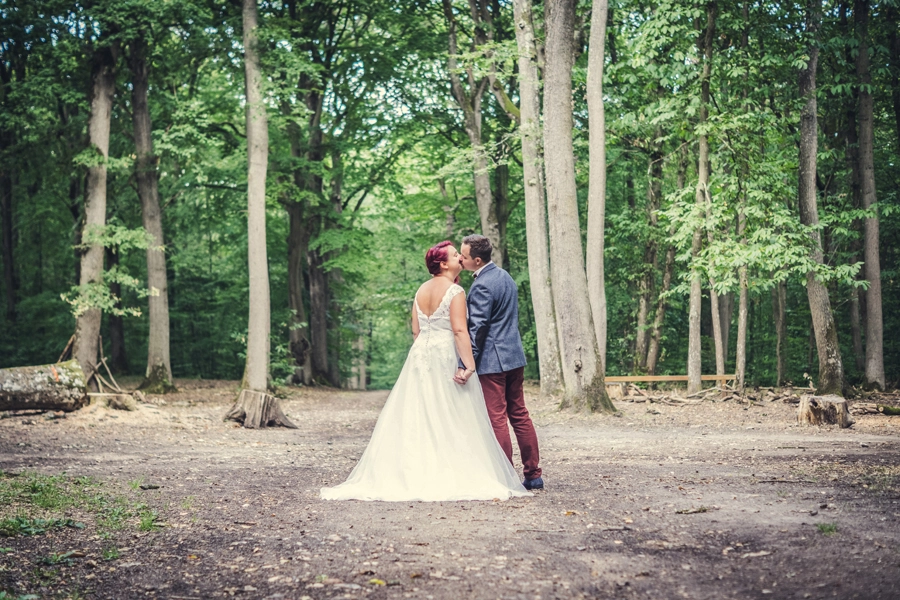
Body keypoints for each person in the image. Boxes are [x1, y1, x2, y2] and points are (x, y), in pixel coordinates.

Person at [320, 241, 530, 502]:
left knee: (421, 411)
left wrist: (425, 351)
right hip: (445, 355)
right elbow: (459, 331)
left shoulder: (420, 290)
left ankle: (417, 469)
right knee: (453, 412)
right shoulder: (455, 291)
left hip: (421, 356)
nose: (460, 258)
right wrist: (469, 365)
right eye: (455, 255)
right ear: (443, 264)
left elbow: (416, 331)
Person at [456, 235, 543, 490]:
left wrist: (466, 361)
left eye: (464, 256)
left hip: (493, 362)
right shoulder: (505, 277)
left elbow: (478, 328)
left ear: (477, 260)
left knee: (497, 418)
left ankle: (505, 477)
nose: (460, 259)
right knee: (520, 414)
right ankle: (534, 474)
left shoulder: (482, 286)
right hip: (514, 356)